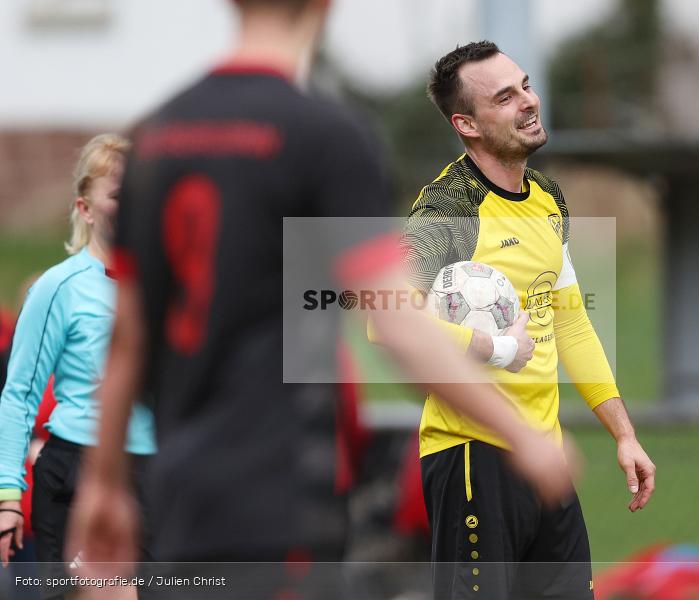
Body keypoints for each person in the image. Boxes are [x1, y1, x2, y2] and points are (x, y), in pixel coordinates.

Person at [66, 2, 574, 598]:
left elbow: (128, 338)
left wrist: (101, 486)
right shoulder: (325, 137)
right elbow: (396, 321)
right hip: (281, 492)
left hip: (182, 490)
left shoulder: (156, 137)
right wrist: (519, 434)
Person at [401, 41, 658, 599]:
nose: (528, 102)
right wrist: (494, 348)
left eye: (525, 85)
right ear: (466, 124)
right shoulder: (447, 209)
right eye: (505, 96)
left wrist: (624, 434)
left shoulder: (547, 199)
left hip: (546, 457)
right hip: (471, 456)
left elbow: (570, 321)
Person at [0, 134, 157, 599]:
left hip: (157, 474)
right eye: (116, 195)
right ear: (85, 209)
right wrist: (9, 497)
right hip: (78, 473)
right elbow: (19, 395)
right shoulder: (59, 287)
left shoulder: (165, 285)